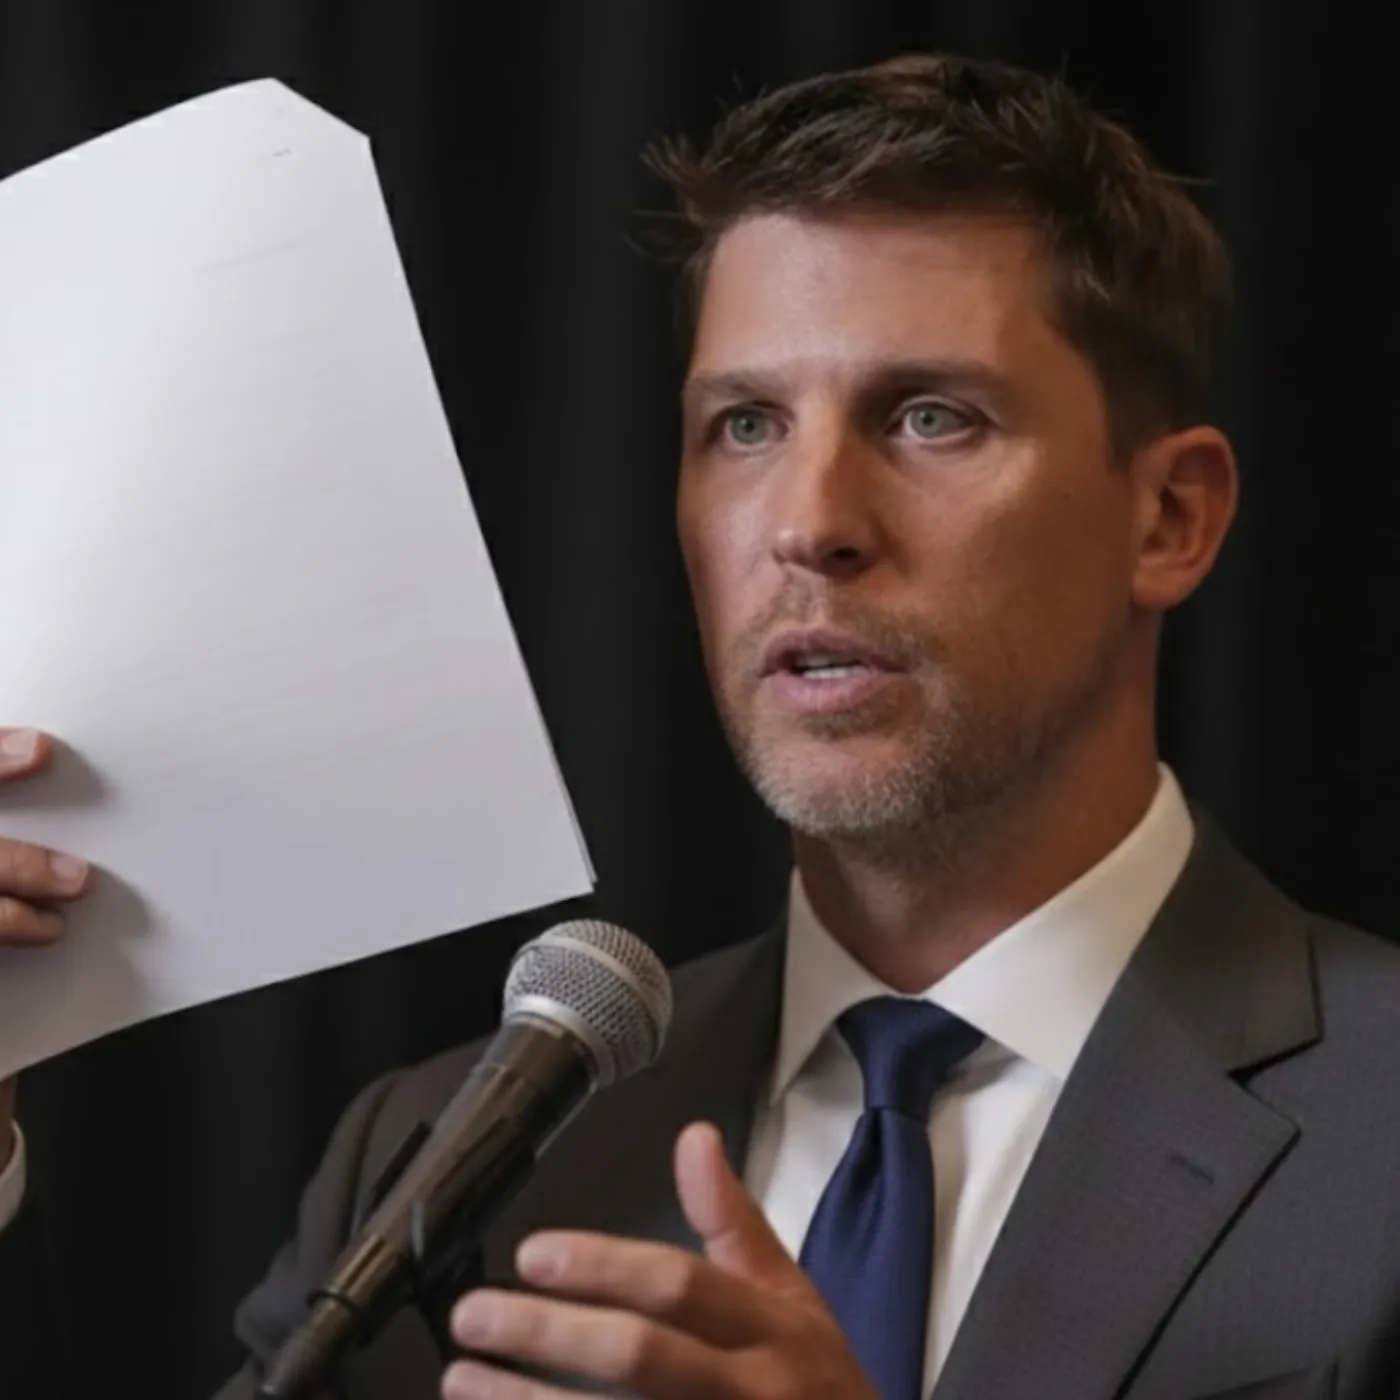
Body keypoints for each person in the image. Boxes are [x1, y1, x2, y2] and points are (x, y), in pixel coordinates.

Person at [2, 51, 1399, 1400]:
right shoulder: (443, 1158)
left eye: (929, 417)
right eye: (745, 426)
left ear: (1169, 519)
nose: (809, 524)